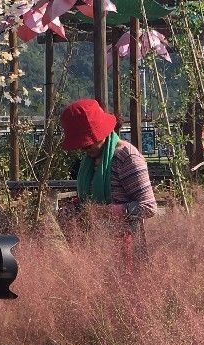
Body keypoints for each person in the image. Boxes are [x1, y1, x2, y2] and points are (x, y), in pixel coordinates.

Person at [59, 99, 157, 250]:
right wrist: (77, 208)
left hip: (126, 249)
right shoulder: (90, 160)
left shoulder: (127, 157)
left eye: (87, 144)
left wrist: (105, 212)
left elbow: (148, 207)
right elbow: (91, 197)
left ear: (100, 132)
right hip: (95, 248)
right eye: (80, 145)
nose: (83, 149)